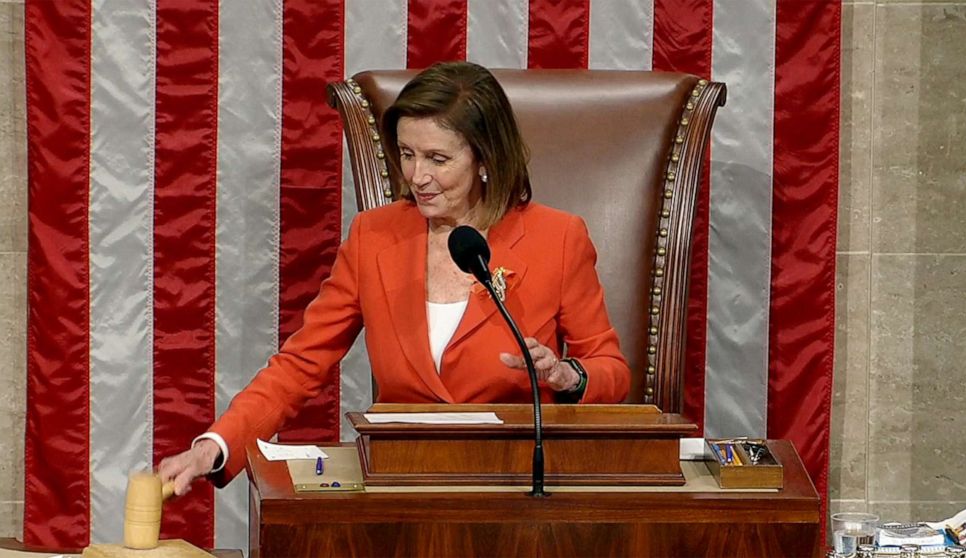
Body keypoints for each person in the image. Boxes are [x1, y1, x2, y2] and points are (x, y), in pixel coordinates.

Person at [159, 61, 630, 494]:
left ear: (486, 159)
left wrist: (566, 375)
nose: (417, 176)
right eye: (407, 154)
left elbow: (612, 371)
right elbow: (302, 363)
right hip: (398, 482)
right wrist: (215, 445)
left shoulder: (558, 237)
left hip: (511, 482)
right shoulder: (374, 236)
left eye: (437, 159)